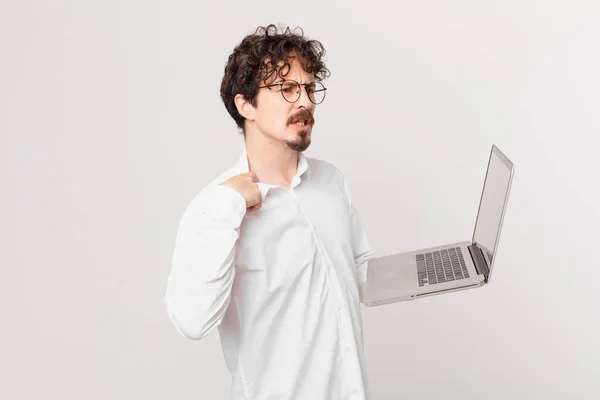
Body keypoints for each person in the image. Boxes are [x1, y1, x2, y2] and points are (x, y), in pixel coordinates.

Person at [164, 24, 374, 400]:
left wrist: (433, 271)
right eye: (287, 90)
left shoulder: (330, 182)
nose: (305, 102)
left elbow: (358, 273)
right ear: (246, 105)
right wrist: (228, 207)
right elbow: (191, 321)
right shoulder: (215, 207)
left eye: (309, 89)